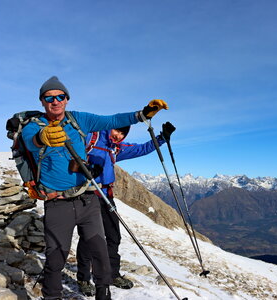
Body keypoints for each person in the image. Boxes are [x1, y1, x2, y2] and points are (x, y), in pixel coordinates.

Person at [21, 76, 168, 300]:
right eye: (49, 97)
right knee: (56, 257)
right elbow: (31, 142)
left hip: (88, 199)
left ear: (67, 99)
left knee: (100, 252)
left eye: (60, 96)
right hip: (57, 203)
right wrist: (43, 137)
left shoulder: (79, 120)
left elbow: (111, 120)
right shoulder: (32, 127)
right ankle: (53, 296)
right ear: (42, 101)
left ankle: (103, 294)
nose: (55, 101)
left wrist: (142, 114)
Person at [75, 122, 176, 296]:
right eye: (117, 131)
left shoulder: (116, 148)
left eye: (123, 134)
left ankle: (112, 274)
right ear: (110, 127)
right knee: (88, 238)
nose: (119, 136)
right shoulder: (91, 139)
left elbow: (141, 149)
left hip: (107, 196)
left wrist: (161, 139)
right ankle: (83, 278)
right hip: (88, 195)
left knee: (114, 236)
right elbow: (68, 152)